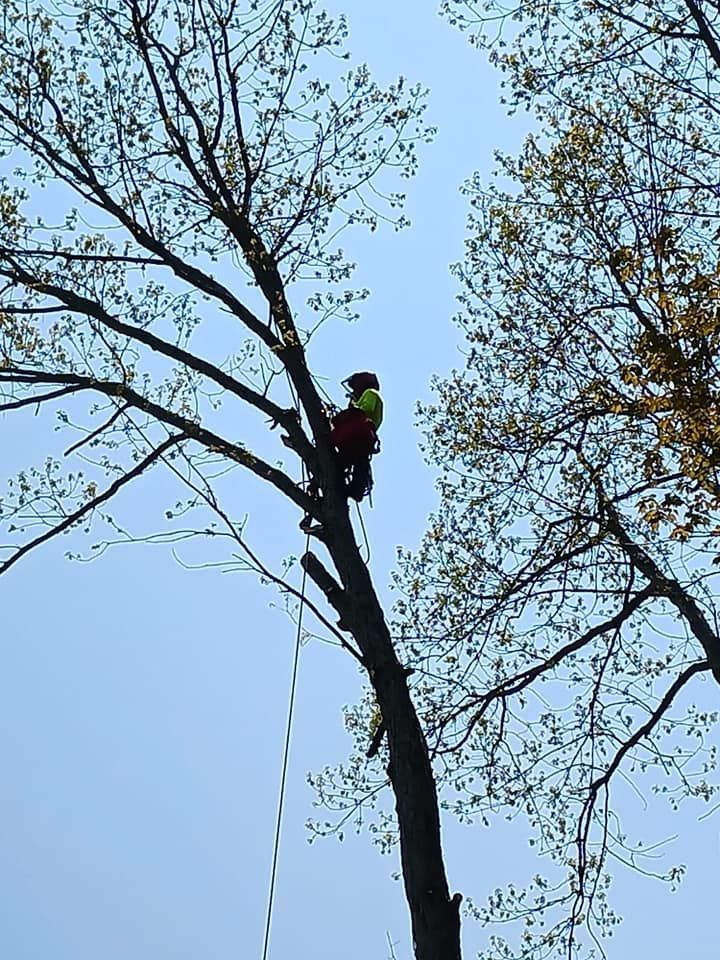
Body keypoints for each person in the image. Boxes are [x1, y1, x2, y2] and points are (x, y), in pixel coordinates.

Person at [299, 371, 383, 533]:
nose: (353, 392)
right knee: (339, 463)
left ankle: (353, 489)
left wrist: (341, 416)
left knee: (355, 462)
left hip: (359, 438)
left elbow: (362, 411)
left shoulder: (371, 394)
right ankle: (320, 484)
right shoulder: (362, 402)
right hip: (353, 440)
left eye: (354, 388)